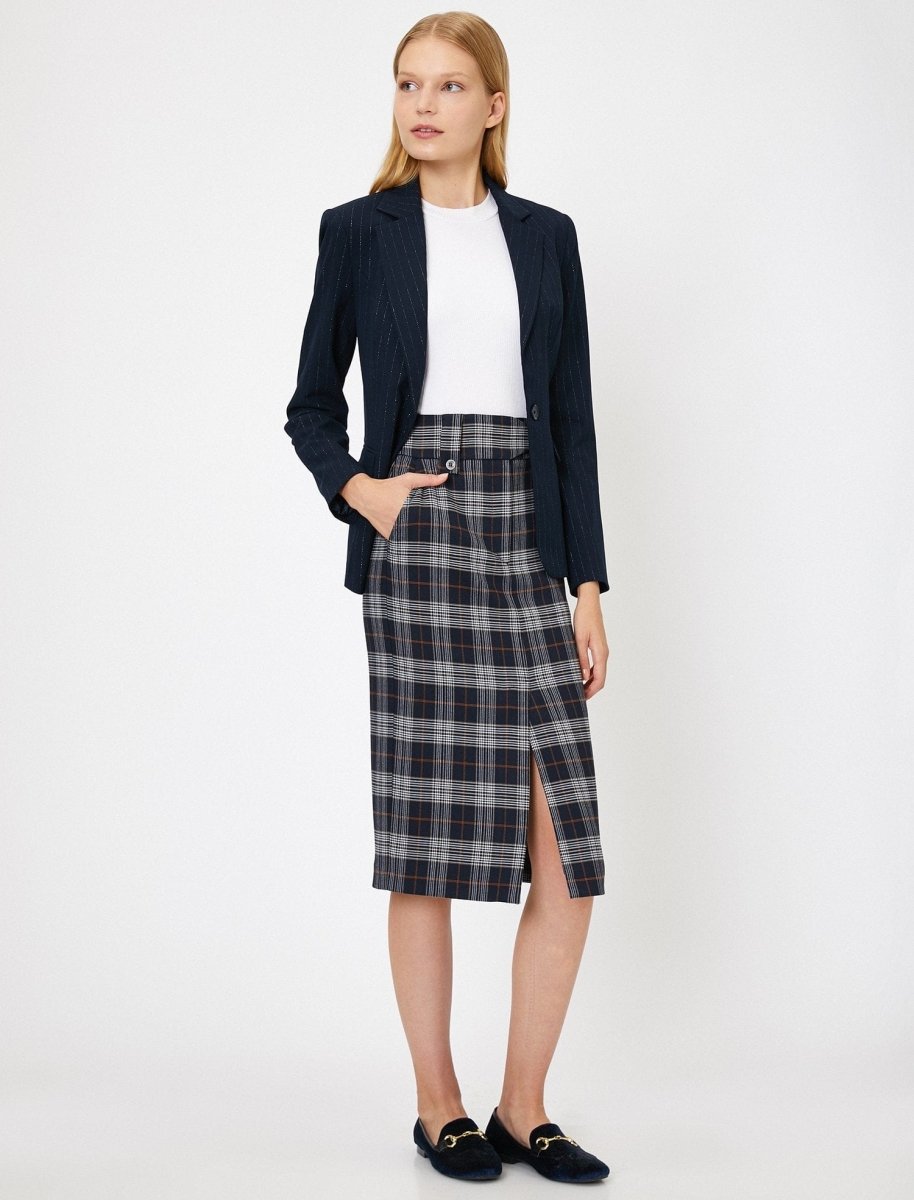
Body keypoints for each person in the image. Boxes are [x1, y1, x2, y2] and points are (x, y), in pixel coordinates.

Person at [284, 12, 612, 1184]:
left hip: (529, 534)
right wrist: (361, 491)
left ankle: (525, 1107)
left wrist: (586, 585)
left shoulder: (545, 236)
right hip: (419, 536)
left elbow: (568, 420)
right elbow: (308, 405)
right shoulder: (357, 230)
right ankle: (439, 1106)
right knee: (424, 842)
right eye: (406, 84)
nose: (422, 104)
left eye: (448, 86)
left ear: (493, 106)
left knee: (566, 849)